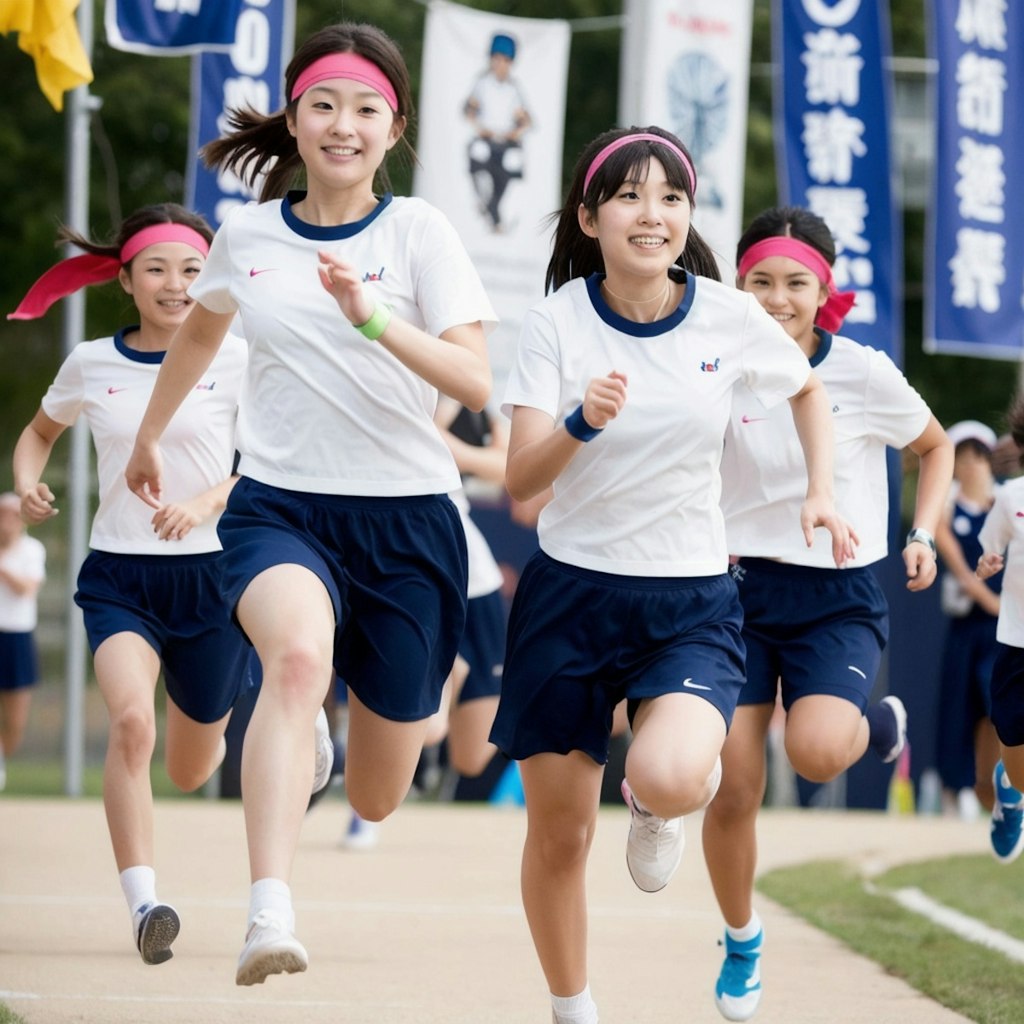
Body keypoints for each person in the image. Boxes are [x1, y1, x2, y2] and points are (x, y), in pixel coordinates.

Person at [123, 22, 495, 987]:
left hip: (410, 519)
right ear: (294, 117)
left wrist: (372, 319)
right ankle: (268, 913)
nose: (343, 124)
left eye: (365, 108)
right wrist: (150, 434)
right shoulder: (245, 235)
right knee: (293, 661)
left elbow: (475, 377)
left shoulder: (419, 233)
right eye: (324, 104)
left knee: (381, 788)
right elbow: (200, 339)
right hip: (281, 504)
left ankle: (326, 759)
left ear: (394, 126)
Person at [489, 127, 851, 1024]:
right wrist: (579, 422)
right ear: (590, 216)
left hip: (689, 599)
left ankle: (654, 807)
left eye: (671, 199)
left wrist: (820, 490)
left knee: (682, 774)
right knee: (561, 837)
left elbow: (805, 387)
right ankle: (574, 1008)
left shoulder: (730, 317)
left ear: (688, 218)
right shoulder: (557, 320)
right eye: (628, 197)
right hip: (569, 596)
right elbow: (521, 481)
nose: (652, 216)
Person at [7, 203, 289, 968]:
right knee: (133, 724)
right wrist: (29, 486)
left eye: (193, 270)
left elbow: (267, 460)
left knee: (192, 767)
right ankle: (144, 904)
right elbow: (38, 432)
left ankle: (286, 713)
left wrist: (203, 503)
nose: (175, 284)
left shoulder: (238, 357)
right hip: (119, 579)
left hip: (212, 577)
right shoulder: (91, 362)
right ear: (125, 279)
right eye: (156, 269)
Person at [702, 205, 953, 1021]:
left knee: (813, 757)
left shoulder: (865, 372)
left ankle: (878, 725)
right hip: (737, 592)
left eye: (794, 283)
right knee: (731, 786)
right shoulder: (715, 364)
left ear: (824, 291)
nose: (776, 298)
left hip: (835, 595)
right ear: (736, 286)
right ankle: (741, 939)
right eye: (759, 282)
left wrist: (920, 532)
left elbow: (937, 447)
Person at [935, 420, 1002, 819]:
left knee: (1002, 708)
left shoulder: (1010, 504)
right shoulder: (948, 509)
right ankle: (956, 789)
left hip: (1006, 629)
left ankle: (998, 788)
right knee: (958, 708)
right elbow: (961, 568)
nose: (970, 465)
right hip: (967, 623)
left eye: (976, 456)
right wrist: (988, 598)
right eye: (961, 456)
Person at [976, 394, 1024, 865]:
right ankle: (1009, 790)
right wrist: (989, 563)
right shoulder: (1012, 498)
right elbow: (989, 550)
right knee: (1017, 755)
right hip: (1016, 641)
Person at [0, 491, 46, 791]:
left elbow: (26, 589)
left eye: (14, 514)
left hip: (17, 637)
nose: (8, 521)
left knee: (16, 717)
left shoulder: (32, 550)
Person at [464, 31, 531, 233]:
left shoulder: (513, 90)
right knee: (478, 152)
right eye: (496, 59)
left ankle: (495, 209)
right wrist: (480, 128)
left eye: (504, 60)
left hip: (505, 142)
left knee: (513, 162)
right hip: (486, 139)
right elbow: (470, 110)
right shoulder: (482, 84)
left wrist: (515, 133)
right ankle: (486, 204)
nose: (500, 64)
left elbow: (523, 119)